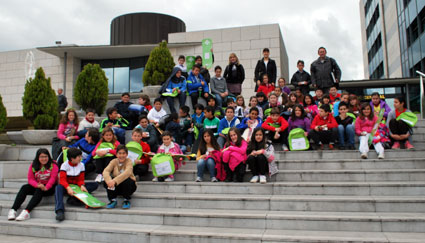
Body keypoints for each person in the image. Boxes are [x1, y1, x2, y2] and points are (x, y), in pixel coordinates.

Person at [8, 148, 58, 221]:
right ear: (38, 158)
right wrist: (37, 185)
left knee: (39, 190)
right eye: (41, 157)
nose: (44, 159)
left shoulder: (53, 164)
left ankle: (26, 212)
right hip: (38, 185)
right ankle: (13, 210)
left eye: (45, 156)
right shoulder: (34, 165)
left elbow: (53, 178)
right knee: (24, 187)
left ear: (48, 157)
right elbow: (30, 179)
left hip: (50, 187)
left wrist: (46, 187)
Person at [55, 148, 98, 221]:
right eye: (79, 157)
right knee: (58, 188)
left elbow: (80, 179)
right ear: (72, 158)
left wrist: (82, 185)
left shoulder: (81, 165)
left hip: (76, 186)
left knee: (94, 185)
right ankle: (59, 210)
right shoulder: (64, 165)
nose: (81, 158)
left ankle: (73, 200)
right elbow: (62, 180)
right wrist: (68, 188)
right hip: (67, 186)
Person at [103, 144, 137, 209]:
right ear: (116, 154)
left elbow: (127, 172)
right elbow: (106, 171)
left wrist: (114, 181)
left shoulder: (129, 161)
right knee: (106, 181)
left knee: (127, 180)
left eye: (123, 153)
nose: (121, 155)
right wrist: (109, 181)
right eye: (119, 153)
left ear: (126, 154)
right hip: (117, 186)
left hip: (129, 187)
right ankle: (112, 200)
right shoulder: (113, 161)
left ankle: (126, 200)